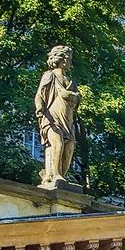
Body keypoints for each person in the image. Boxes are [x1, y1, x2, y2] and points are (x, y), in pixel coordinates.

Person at [35, 45, 81, 188]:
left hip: (67, 120)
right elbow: (39, 95)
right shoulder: (50, 75)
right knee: (58, 144)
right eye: (68, 57)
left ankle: (60, 174)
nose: (69, 61)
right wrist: (40, 108)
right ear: (60, 58)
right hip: (51, 118)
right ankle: (55, 174)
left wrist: (74, 96)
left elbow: (78, 99)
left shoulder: (70, 81)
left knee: (69, 148)